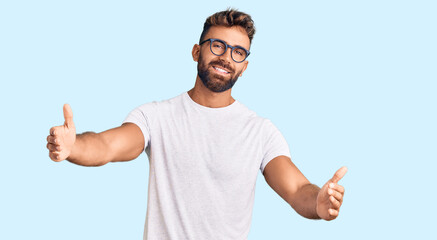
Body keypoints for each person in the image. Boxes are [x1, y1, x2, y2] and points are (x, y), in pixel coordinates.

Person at [46, 9, 347, 240]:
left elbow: (296, 189)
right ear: (196, 51)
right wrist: (75, 146)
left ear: (244, 67)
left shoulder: (260, 131)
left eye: (237, 52)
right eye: (217, 45)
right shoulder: (156, 117)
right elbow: (108, 145)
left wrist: (319, 203)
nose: (226, 57)